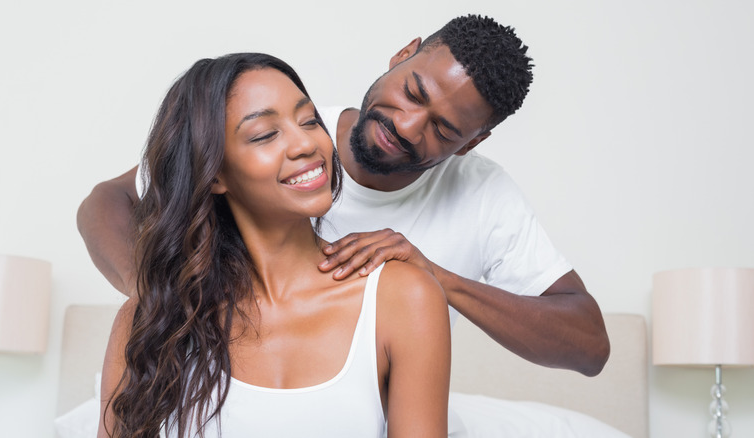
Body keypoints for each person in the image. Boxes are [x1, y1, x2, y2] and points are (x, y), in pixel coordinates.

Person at [79, 15, 609, 380]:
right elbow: (109, 201)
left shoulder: (483, 196)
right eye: (412, 92)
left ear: (473, 142)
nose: (405, 125)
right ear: (404, 54)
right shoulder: (292, 138)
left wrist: (438, 279)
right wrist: (156, 305)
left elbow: (588, 344)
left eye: (443, 130)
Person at [97, 53, 451, 438]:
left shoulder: (404, 297)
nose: (305, 143)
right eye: (266, 134)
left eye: (310, 120)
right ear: (214, 174)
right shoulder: (152, 318)